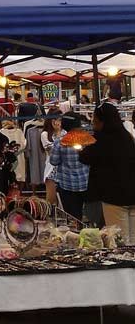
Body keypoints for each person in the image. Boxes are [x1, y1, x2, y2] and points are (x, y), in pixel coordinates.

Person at [79, 102, 135, 243]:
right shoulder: (127, 138)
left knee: (119, 240)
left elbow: (85, 157)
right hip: (132, 193)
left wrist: (81, 149)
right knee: (133, 240)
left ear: (101, 120)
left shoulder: (100, 140)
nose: (93, 122)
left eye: (95, 119)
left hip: (113, 197)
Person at [49, 123, 89, 221]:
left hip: (67, 184)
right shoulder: (88, 140)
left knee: (72, 215)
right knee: (86, 213)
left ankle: (75, 233)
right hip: (85, 182)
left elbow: (53, 161)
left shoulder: (60, 142)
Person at [41, 113, 65, 203]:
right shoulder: (45, 134)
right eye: (57, 120)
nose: (59, 122)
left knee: (63, 200)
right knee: (51, 199)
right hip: (51, 170)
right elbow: (51, 151)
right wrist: (58, 134)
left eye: (60, 120)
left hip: (63, 170)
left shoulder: (64, 133)